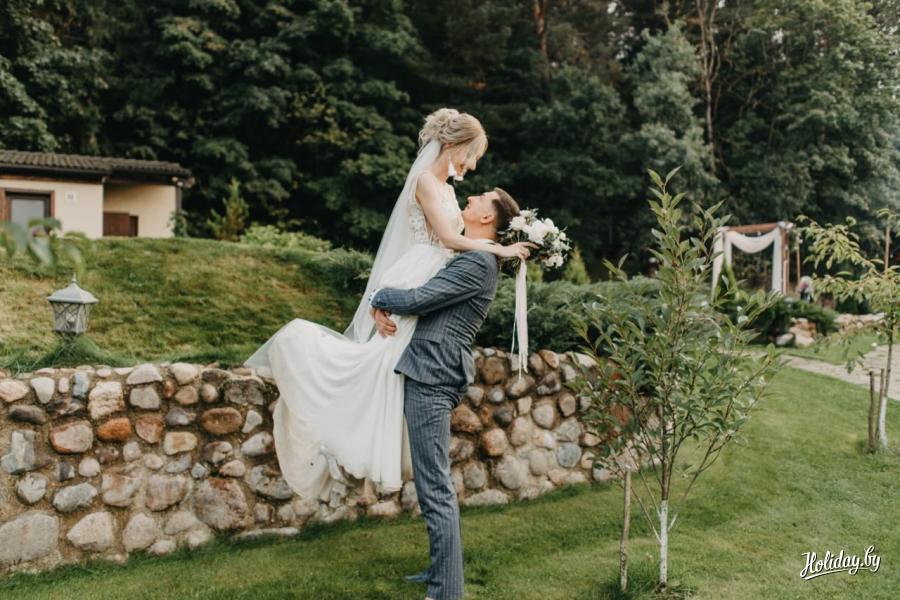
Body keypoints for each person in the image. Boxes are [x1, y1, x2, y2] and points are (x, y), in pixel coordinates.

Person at [243, 108, 531, 500]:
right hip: (419, 272)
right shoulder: (425, 181)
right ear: (454, 145)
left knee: (387, 368)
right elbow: (449, 239)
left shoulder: (449, 191)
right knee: (379, 364)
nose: (473, 164)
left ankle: (357, 444)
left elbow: (458, 246)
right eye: (472, 154)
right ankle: (339, 437)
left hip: (434, 275)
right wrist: (497, 248)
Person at [369, 189, 520, 600]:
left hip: (433, 372)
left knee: (434, 484)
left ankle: (447, 590)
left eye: (481, 198)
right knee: (432, 480)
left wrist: (377, 296)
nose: (470, 196)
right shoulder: (475, 255)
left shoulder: (477, 261)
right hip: (432, 367)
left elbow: (419, 300)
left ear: (489, 218)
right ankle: (440, 572)